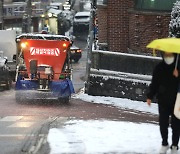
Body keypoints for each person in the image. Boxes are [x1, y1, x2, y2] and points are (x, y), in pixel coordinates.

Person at [147, 52, 180, 154]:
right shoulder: (159, 68)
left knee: (176, 125)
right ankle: (164, 143)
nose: (168, 57)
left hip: (177, 101)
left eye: (170, 55)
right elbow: (154, 83)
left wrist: (178, 75)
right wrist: (150, 96)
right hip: (163, 100)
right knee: (163, 123)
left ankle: (174, 145)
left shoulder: (178, 66)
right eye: (166, 55)